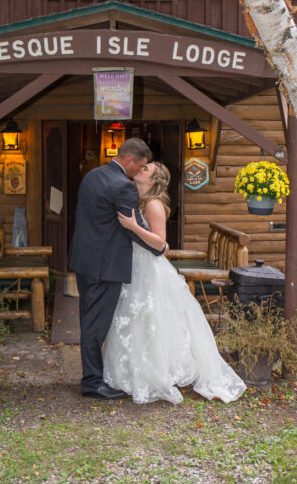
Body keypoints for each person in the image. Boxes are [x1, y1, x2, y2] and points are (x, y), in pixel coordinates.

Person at [103, 162, 247, 404]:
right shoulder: (138, 200)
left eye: (146, 168)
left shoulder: (153, 204)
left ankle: (157, 372)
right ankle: (133, 370)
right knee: (136, 319)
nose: (141, 168)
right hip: (136, 266)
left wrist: (133, 226)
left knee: (153, 319)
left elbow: (161, 245)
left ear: (154, 180)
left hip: (150, 269)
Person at [68, 138, 168, 400]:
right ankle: (92, 382)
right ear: (129, 161)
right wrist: (158, 247)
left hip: (83, 260)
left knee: (88, 319)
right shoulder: (123, 186)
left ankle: (94, 376)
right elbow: (132, 229)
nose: (140, 171)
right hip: (105, 266)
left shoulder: (93, 175)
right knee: (95, 325)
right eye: (142, 166)